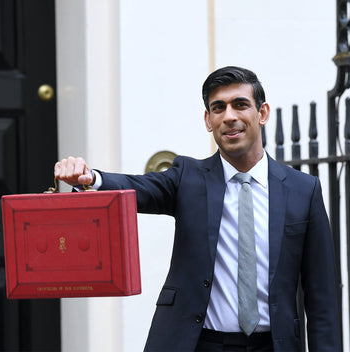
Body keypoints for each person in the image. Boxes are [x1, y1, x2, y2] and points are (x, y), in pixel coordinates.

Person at [54, 66, 341, 351]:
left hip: (272, 345)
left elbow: (322, 297)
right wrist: (91, 178)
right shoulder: (187, 177)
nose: (229, 116)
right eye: (219, 108)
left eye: (240, 105)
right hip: (199, 344)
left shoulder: (304, 190)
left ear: (262, 113)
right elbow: (137, 188)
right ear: (208, 119)